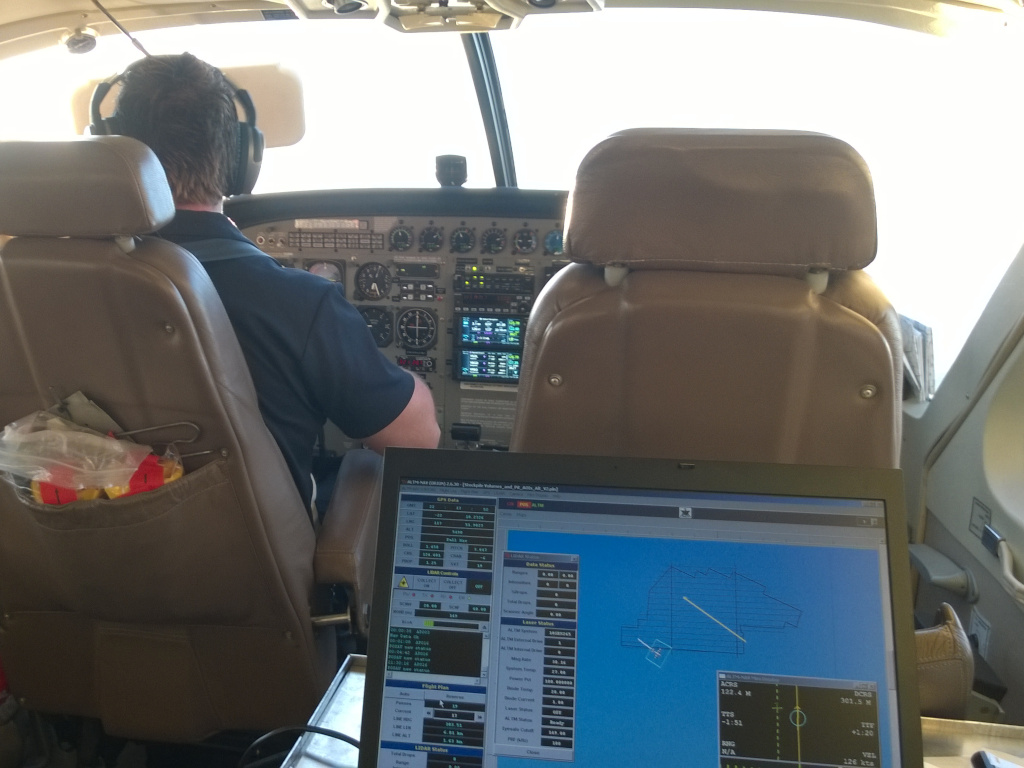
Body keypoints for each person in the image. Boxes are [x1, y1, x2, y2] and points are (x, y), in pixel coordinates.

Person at [108, 52, 440, 514]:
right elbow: (418, 441)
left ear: (111, 150)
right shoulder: (298, 301)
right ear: (240, 159)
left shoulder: (30, 297)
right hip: (254, 558)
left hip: (80, 547)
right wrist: (397, 376)